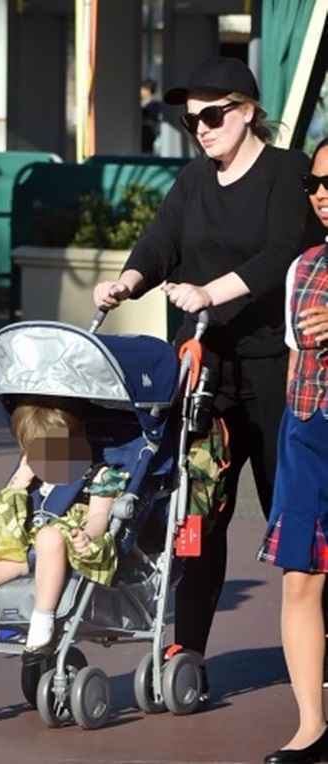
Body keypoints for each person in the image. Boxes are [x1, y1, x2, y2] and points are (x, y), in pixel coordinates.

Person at [93, 56, 310, 700]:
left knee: (291, 514)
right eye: (192, 122)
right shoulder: (193, 180)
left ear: (246, 110)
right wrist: (129, 281)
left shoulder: (287, 174)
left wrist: (211, 291)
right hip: (206, 374)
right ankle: (186, 646)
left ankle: (316, 639)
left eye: (213, 116)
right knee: (198, 513)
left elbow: (282, 253)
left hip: (279, 372)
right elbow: (161, 243)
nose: (202, 129)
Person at [0, 398, 127, 693]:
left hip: (70, 551)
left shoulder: (98, 475)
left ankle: (43, 618)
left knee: (48, 536)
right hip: (25, 551)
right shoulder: (33, 477)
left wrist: (87, 534)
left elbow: (100, 514)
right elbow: (2, 520)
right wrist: (17, 483)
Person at [258, 137, 328, 764]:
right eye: (316, 184)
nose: (324, 195)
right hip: (308, 435)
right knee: (300, 578)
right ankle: (312, 727)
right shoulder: (302, 267)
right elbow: (293, 365)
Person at [140, 78, 161, 155]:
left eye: (143, 89)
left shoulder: (154, 105)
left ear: (148, 90)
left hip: (148, 134)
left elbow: (153, 120)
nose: (141, 91)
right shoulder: (141, 103)